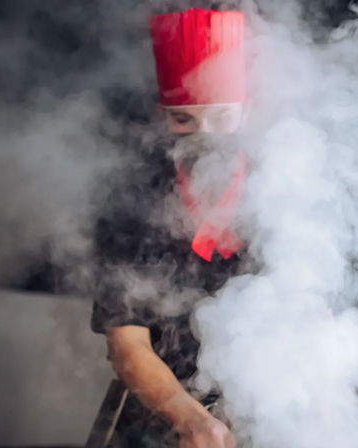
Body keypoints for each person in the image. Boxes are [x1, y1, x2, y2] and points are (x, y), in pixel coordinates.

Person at [87, 7, 248, 448]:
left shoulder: (288, 186)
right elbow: (128, 343)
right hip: (157, 422)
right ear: (163, 115)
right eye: (183, 119)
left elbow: (316, 324)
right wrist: (191, 419)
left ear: (247, 108)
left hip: (269, 414)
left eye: (221, 117)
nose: (205, 136)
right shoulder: (130, 198)